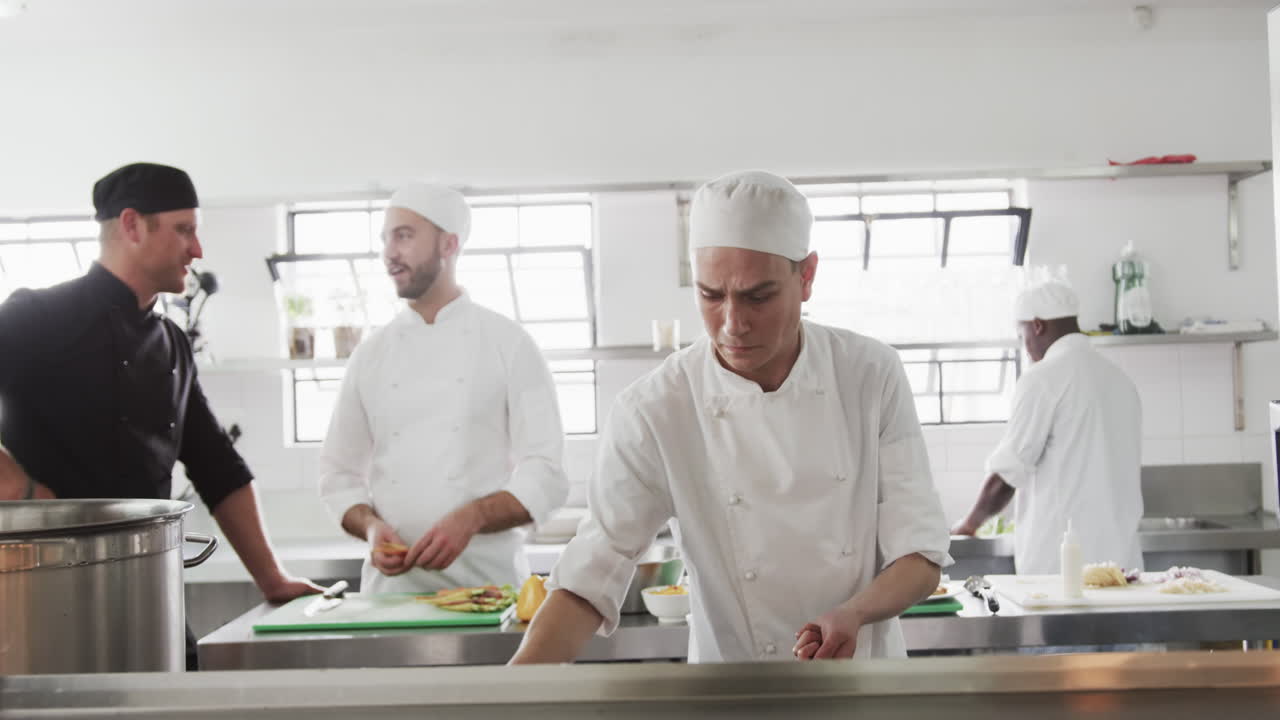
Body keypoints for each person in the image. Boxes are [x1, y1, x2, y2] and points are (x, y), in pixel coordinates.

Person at [510, 170, 951, 664]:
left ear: (806, 277)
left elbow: (921, 554)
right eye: (711, 295)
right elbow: (592, 570)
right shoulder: (656, 408)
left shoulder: (869, 374)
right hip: (734, 692)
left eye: (757, 296)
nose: (732, 324)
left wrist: (853, 613)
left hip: (863, 683)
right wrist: (512, 693)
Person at [0, 162, 322, 670]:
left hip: (151, 597)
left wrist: (272, 579)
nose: (197, 250)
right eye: (184, 230)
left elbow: (218, 468)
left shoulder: (171, 342)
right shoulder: (35, 317)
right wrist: (20, 489)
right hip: (42, 605)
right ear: (131, 225)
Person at [319, 182, 568, 594]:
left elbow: (547, 472)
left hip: (489, 591)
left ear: (449, 244)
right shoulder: (371, 353)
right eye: (385, 239)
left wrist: (472, 517)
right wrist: (370, 526)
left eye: (404, 235)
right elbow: (338, 474)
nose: (389, 253)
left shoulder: (508, 344)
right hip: (391, 596)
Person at [952, 277, 1144, 574]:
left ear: (1037, 325)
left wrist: (968, 525)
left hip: (1062, 569)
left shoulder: (1042, 379)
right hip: (1122, 565)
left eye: (1022, 335)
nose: (1025, 346)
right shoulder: (1120, 380)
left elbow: (1007, 474)